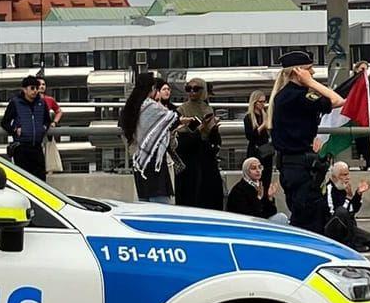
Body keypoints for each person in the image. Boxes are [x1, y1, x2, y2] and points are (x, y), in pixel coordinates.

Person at [267, 51, 345, 232]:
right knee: (308, 219)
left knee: (306, 213)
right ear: (298, 71)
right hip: (300, 167)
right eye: (309, 70)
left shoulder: (284, 95)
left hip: (292, 165)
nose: (313, 74)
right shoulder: (298, 96)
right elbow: (337, 100)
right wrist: (311, 83)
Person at [119, 72, 186, 202]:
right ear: (151, 89)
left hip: (139, 160)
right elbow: (171, 118)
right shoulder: (150, 106)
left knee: (144, 201)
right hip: (155, 159)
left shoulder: (131, 106)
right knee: (160, 203)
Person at [173, 78, 225, 210]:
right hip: (188, 161)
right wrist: (199, 130)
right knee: (191, 196)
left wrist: (212, 129)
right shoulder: (182, 110)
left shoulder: (207, 108)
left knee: (210, 195)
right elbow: (180, 140)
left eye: (196, 89)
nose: (192, 92)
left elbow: (214, 139)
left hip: (206, 160)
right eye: (188, 89)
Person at [322, 161, 370, 253]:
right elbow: (335, 215)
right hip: (334, 229)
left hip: (349, 227)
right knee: (341, 212)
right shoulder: (329, 189)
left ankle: (351, 243)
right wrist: (348, 199)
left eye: (348, 174)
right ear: (334, 177)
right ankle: (351, 244)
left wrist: (358, 194)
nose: (347, 178)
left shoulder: (343, 187)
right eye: (344, 175)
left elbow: (353, 210)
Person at [0, 75, 52, 180]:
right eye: (32, 88)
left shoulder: (41, 103)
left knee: (40, 180)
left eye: (36, 88)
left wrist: (43, 128)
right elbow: (5, 122)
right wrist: (14, 130)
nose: (35, 91)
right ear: (24, 89)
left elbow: (47, 120)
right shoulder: (15, 103)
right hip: (21, 148)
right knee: (24, 180)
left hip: (37, 147)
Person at [228, 156, 288, 224]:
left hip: (260, 221)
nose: (258, 170)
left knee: (281, 217)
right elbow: (250, 216)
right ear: (246, 171)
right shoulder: (239, 190)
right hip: (246, 225)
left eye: (260, 167)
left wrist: (270, 197)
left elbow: (272, 212)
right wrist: (258, 198)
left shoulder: (260, 185)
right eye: (253, 168)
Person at [37, 75, 65, 175]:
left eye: (43, 84)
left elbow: (59, 111)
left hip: (47, 129)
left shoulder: (49, 99)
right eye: (39, 84)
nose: (41, 86)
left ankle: (49, 172)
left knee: (49, 150)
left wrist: (54, 122)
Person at [242, 89, 273, 168]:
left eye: (264, 101)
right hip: (255, 150)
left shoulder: (265, 115)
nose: (263, 104)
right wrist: (262, 126)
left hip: (266, 149)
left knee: (267, 173)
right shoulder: (248, 117)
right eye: (260, 102)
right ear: (254, 103)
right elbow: (250, 136)